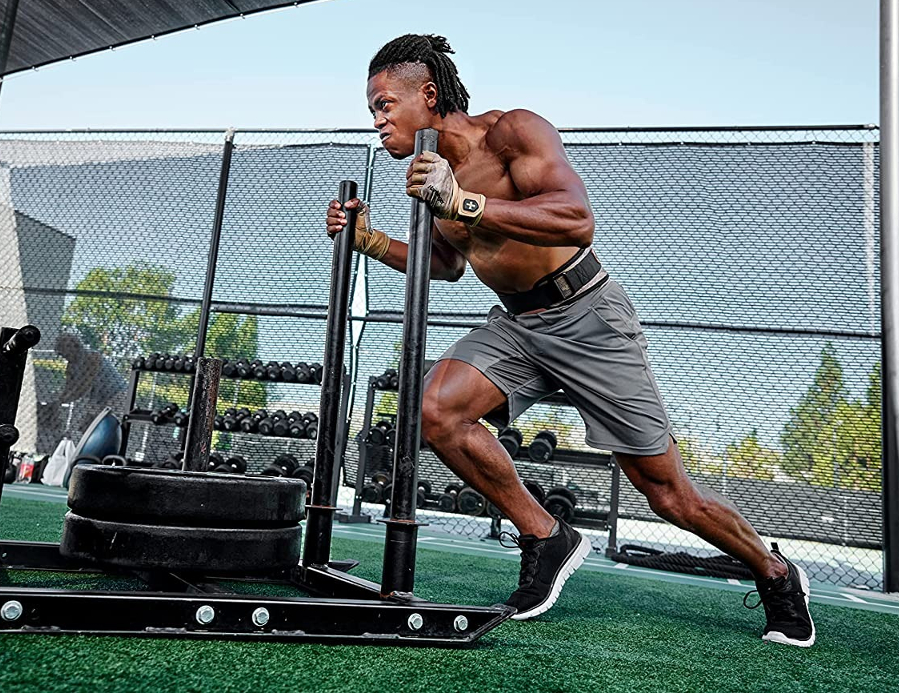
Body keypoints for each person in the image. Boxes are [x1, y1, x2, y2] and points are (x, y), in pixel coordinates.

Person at [325, 34, 815, 647]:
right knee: (435, 411)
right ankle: (545, 535)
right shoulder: (428, 179)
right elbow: (448, 265)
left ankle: (775, 572)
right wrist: (370, 240)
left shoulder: (513, 134)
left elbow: (575, 219)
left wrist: (466, 201)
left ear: (428, 95)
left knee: (667, 491)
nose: (376, 122)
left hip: (586, 313)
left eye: (383, 105)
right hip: (517, 324)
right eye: (372, 111)